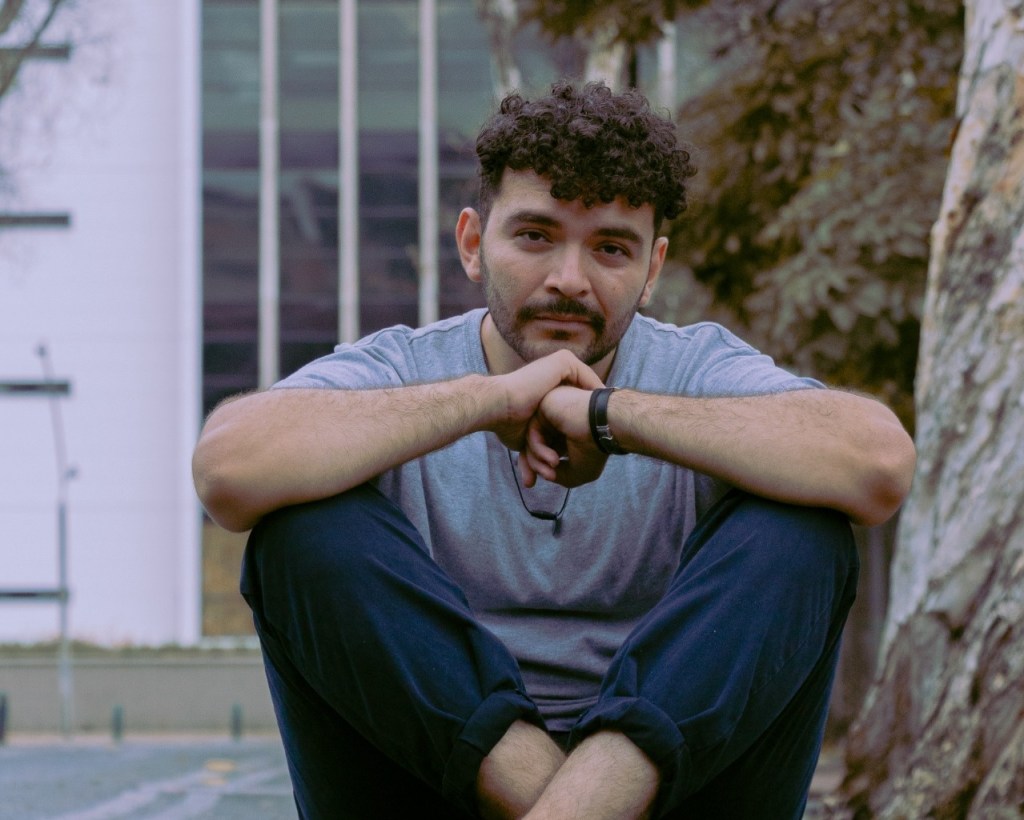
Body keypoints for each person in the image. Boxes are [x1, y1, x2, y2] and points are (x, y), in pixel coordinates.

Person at [192, 81, 916, 820]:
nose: (569, 281)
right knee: (303, 531)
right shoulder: (404, 369)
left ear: (652, 270)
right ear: (473, 244)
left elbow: (877, 463)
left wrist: (607, 415)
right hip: (433, 782)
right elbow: (228, 467)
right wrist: (492, 400)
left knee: (801, 533)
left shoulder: (693, 369)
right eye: (535, 236)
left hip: (672, 788)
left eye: (610, 248)